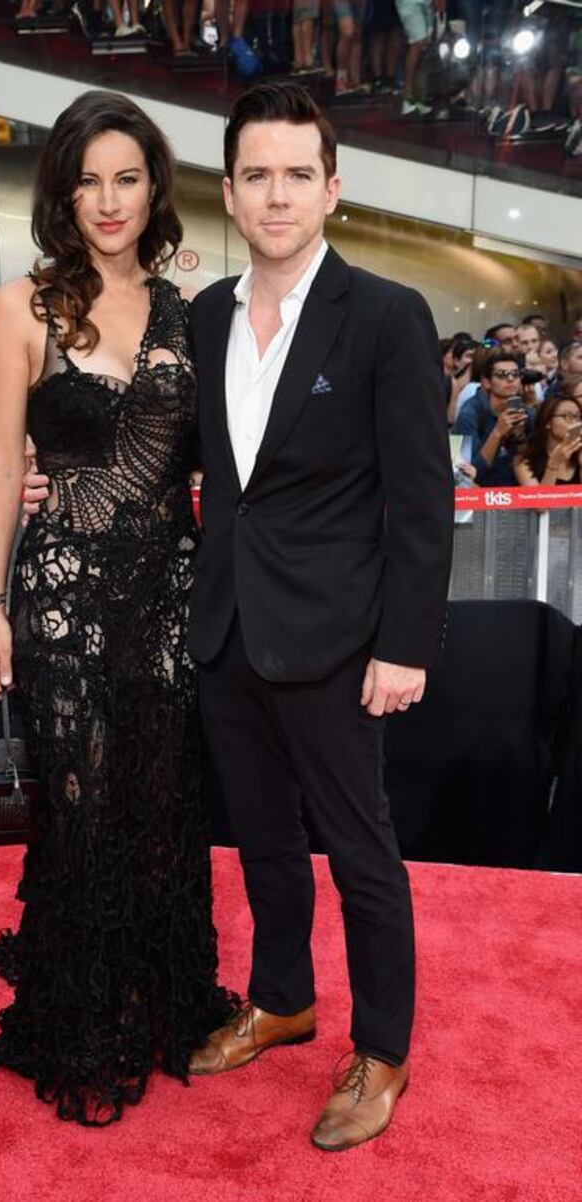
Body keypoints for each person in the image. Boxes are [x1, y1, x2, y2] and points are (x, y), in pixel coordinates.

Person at [184, 82, 453, 1152]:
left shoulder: (386, 314)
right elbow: (208, 478)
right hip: (228, 630)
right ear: (230, 190)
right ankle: (281, 997)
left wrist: (403, 642)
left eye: (298, 173)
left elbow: (420, 498)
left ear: (332, 189)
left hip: (340, 642)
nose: (277, 193)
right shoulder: (204, 316)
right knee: (259, 840)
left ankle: (380, 1047)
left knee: (360, 853)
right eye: (257, 174)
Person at [0, 89, 237, 1127]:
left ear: (154, 188)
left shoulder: (187, 310)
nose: (107, 200)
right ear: (61, 192)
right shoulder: (20, 304)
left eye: (126, 177)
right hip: (65, 596)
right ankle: (86, 1002)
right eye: (87, 179)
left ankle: (161, 990)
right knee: (80, 807)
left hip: (171, 594)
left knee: (162, 802)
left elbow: (218, 456)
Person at [452, 348, 531, 486]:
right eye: (501, 375)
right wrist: (497, 433)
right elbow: (459, 477)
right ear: (486, 382)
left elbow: (534, 468)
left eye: (515, 374)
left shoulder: (528, 413)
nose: (510, 379)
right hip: (481, 498)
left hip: (518, 499)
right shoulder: (467, 414)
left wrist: (520, 437)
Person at [514, 385, 582, 487]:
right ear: (548, 421)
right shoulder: (524, 461)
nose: (574, 422)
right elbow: (540, 500)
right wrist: (553, 466)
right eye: (567, 416)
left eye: (578, 417)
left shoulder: (579, 455)